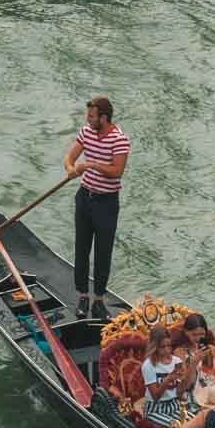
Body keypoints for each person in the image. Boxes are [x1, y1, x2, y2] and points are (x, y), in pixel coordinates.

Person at [65, 94, 130, 320]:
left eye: (92, 116)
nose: (88, 119)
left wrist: (92, 164)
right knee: (81, 248)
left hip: (107, 202)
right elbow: (70, 158)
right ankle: (83, 296)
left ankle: (99, 300)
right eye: (88, 116)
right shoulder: (86, 132)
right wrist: (71, 168)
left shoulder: (120, 140)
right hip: (84, 198)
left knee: (103, 252)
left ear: (104, 118)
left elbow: (117, 171)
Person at [139, 325, 188, 428]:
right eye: (162, 347)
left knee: (192, 422)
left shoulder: (177, 361)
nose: (167, 350)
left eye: (169, 346)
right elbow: (155, 396)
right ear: (155, 347)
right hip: (156, 408)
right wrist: (168, 380)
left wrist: (184, 378)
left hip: (174, 405)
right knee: (176, 426)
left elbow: (180, 393)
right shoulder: (148, 366)